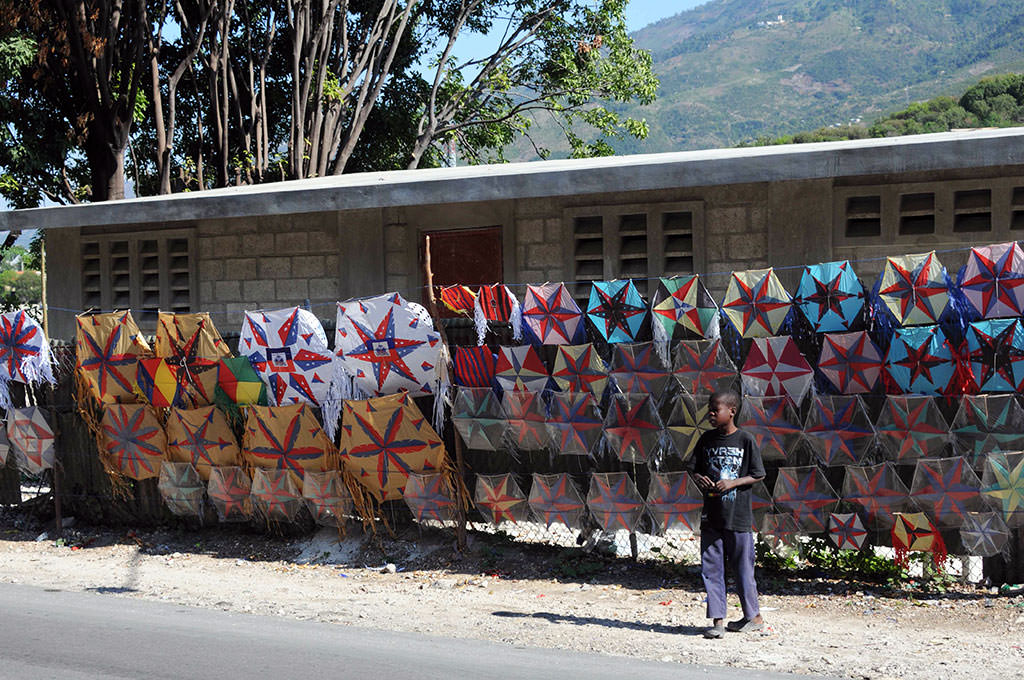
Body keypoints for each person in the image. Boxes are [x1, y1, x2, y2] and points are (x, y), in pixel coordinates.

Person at [685, 389, 766, 639]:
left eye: (715, 409)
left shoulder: (745, 440)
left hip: (738, 517)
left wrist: (732, 483)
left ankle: (753, 617)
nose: (710, 413)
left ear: (731, 411)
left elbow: (758, 474)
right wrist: (700, 479)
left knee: (743, 569)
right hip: (712, 516)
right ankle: (718, 621)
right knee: (712, 567)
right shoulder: (706, 439)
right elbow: (693, 468)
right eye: (709, 408)